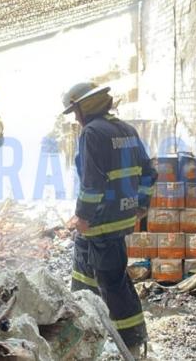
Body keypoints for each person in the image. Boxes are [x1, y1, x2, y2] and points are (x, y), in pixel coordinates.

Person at [62, 82, 157, 354]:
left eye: (76, 111)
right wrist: (141, 203)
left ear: (86, 106)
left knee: (113, 283)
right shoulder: (126, 130)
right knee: (84, 274)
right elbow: (149, 172)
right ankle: (81, 329)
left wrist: (82, 215)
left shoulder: (92, 133)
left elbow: (92, 183)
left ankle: (132, 342)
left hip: (100, 222)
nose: (75, 117)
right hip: (119, 218)